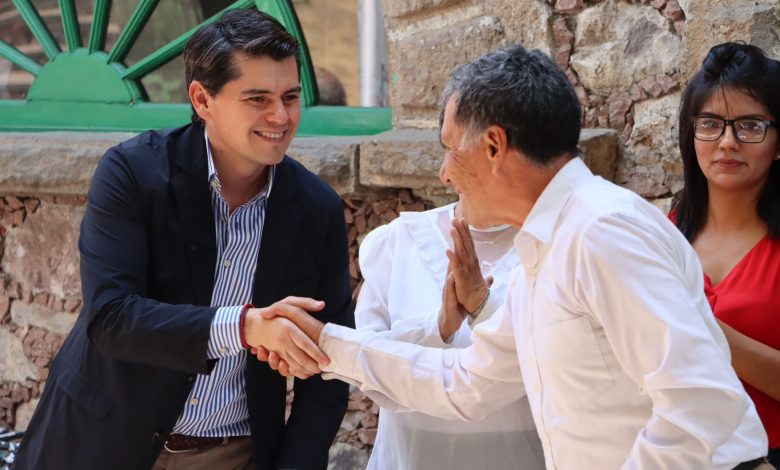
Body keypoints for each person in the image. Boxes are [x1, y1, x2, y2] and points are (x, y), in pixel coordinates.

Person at [258, 45, 770, 469]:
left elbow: (700, 405)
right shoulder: (550, 241)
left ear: (494, 146)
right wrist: (325, 342)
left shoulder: (602, 232)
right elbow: (466, 383)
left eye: (450, 148)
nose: (443, 173)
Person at [13, 9, 352, 470]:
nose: (280, 116)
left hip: (231, 453)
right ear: (202, 99)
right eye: (257, 98)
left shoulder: (317, 208)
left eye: (290, 97)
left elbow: (329, 367)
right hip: (101, 441)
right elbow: (112, 318)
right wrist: (245, 327)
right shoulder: (131, 172)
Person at [354, 199, 545, 469]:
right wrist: (437, 328)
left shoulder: (553, 245)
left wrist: (484, 307)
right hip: (411, 456)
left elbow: (553, 362)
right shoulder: (400, 240)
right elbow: (366, 364)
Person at [672, 42, 780, 468]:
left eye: (751, 126)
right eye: (711, 124)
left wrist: (707, 329)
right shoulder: (668, 232)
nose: (727, 142)